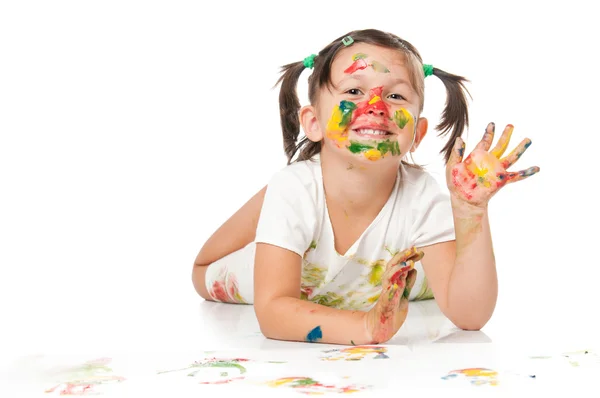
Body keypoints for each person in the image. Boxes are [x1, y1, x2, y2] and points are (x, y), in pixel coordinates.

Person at [191, 29, 539, 345]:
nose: (376, 107)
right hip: (279, 272)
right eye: (354, 91)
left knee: (416, 278)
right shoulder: (294, 190)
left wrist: (470, 211)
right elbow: (273, 312)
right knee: (208, 269)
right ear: (313, 123)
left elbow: (471, 317)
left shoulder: (423, 195)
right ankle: (275, 213)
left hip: (373, 281)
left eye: (397, 96)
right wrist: (366, 327)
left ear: (416, 134)